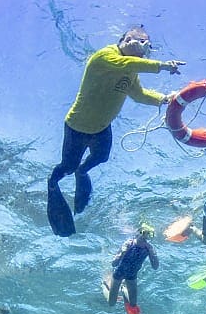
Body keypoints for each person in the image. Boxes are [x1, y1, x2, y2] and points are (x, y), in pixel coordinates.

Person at [47, 26, 186, 237]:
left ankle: (81, 173)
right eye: (142, 43)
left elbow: (139, 95)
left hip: (102, 128)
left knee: (101, 158)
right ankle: (53, 185)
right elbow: (126, 63)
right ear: (127, 39)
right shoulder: (105, 56)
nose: (145, 49)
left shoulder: (131, 73)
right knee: (67, 166)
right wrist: (163, 66)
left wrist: (164, 99)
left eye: (148, 46)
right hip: (77, 126)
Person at [106, 223, 160, 314]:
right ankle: (104, 285)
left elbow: (155, 267)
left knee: (133, 304)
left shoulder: (149, 248)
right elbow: (114, 263)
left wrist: (153, 254)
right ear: (138, 234)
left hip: (132, 276)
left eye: (148, 236)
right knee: (112, 303)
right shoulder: (128, 244)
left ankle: (123, 289)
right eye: (143, 234)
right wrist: (122, 253)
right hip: (119, 273)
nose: (144, 239)